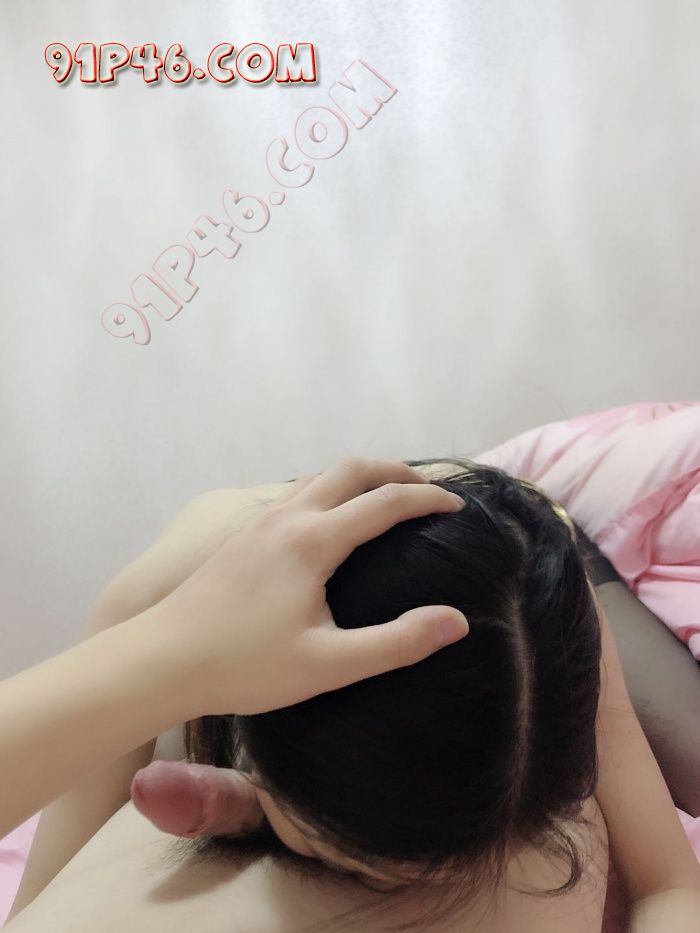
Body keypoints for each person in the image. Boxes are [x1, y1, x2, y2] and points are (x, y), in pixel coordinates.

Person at [4, 459, 700, 931]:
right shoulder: (156, 602)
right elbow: (44, 896)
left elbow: (670, 883)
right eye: (350, 864)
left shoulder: (531, 609)